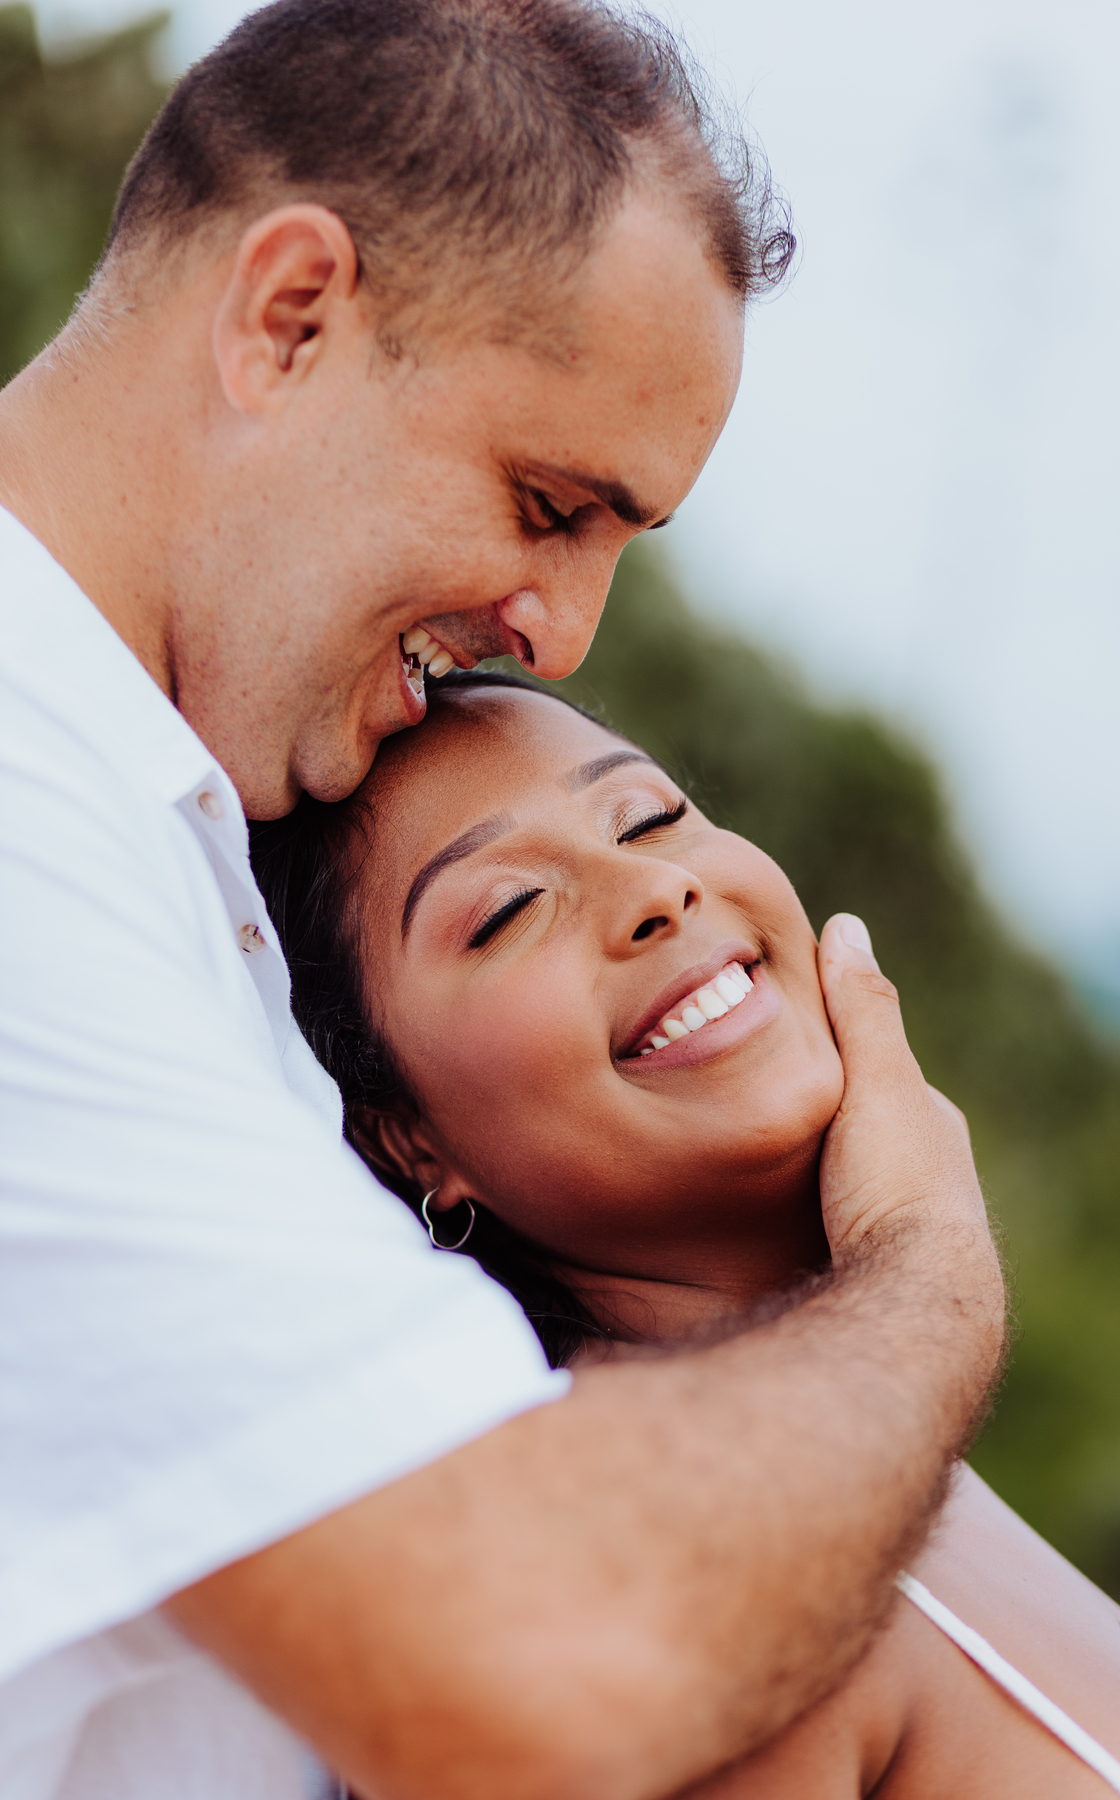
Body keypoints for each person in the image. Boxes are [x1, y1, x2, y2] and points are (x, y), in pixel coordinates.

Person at [0, 2, 1004, 1796]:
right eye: (549, 504)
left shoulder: (167, 833)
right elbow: (526, 1675)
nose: (559, 635)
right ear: (288, 316)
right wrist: (929, 1275)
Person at [252, 667, 1120, 1800]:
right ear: (408, 1141)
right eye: (507, 910)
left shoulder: (891, 1477)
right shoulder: (668, 1596)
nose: (654, 888)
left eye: (649, 816)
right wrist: (922, 1234)